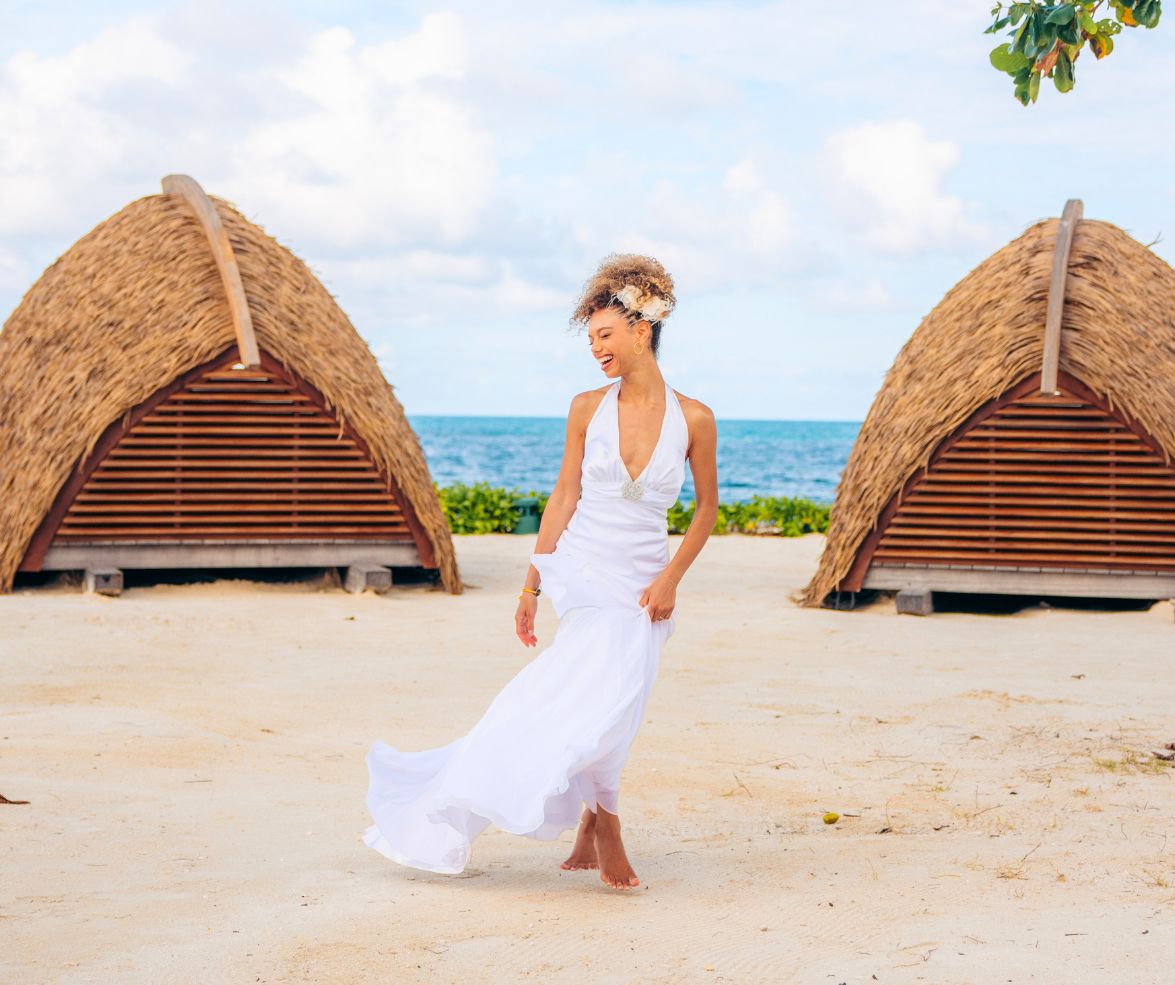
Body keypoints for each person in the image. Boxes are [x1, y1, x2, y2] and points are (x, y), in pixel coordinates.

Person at [364, 254, 718, 891]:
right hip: (585, 569)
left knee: (616, 703)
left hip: (645, 577)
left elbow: (707, 510)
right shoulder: (586, 407)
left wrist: (670, 580)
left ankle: (589, 817)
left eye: (604, 336)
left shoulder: (694, 418)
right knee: (588, 692)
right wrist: (529, 585)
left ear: (642, 331)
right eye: (590, 340)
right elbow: (563, 497)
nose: (596, 350)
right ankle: (607, 824)